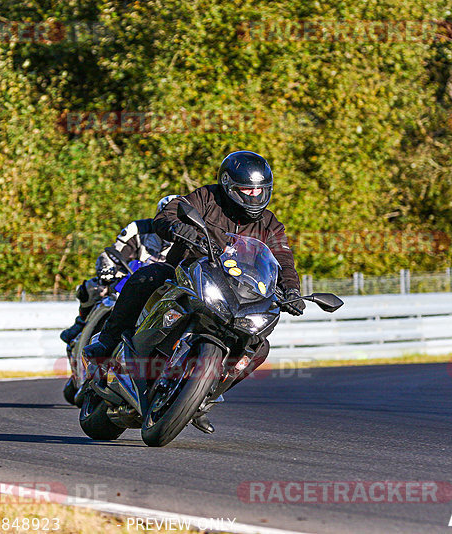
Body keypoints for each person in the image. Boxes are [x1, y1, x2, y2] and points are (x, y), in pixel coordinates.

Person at [84, 151, 305, 433]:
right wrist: (178, 228)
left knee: (258, 347)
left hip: (239, 295)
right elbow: (170, 211)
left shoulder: (270, 223)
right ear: (228, 186)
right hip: (188, 273)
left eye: (260, 190)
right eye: (246, 189)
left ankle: (202, 398)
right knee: (148, 275)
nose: (254, 196)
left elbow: (283, 258)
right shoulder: (207, 199)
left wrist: (292, 291)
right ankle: (107, 344)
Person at [60, 195, 180, 344]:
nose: (170, 221)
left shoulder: (192, 237)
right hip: (131, 280)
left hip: (169, 287)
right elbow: (114, 252)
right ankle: (82, 324)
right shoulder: (138, 229)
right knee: (93, 288)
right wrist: (107, 268)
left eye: (176, 216)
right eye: (166, 215)